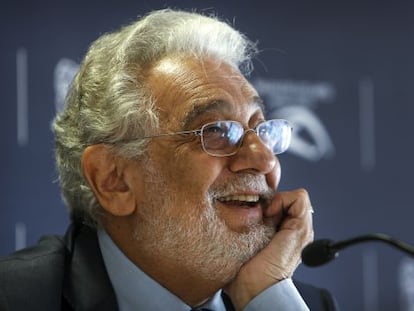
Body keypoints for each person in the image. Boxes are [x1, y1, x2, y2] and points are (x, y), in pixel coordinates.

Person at [0, 9, 339, 311]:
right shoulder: (14, 297)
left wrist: (267, 296)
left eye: (261, 129)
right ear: (113, 180)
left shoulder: (295, 303)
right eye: (217, 131)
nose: (264, 159)